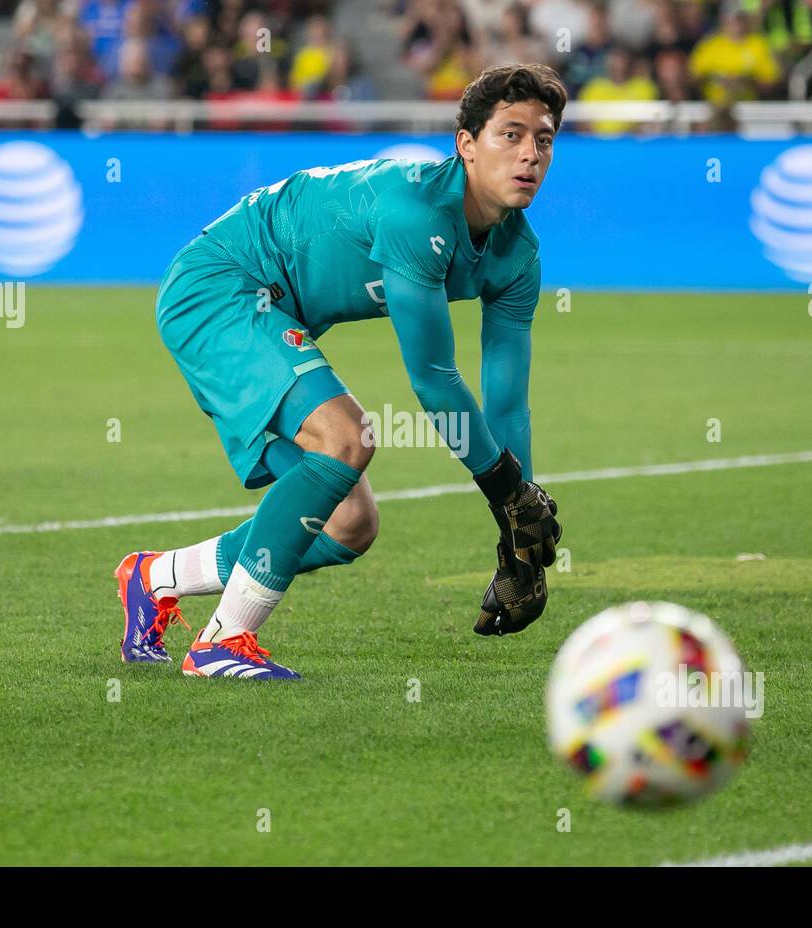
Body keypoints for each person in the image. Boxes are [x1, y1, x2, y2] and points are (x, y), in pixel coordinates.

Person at [116, 64, 566, 679]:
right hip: (222, 285)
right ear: (466, 143)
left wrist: (522, 534)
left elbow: (507, 403)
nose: (529, 155)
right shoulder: (417, 214)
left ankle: (153, 578)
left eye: (543, 140)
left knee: (352, 524)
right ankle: (222, 641)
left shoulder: (519, 255)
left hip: (274, 309)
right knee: (347, 437)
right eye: (509, 135)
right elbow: (434, 377)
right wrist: (507, 493)